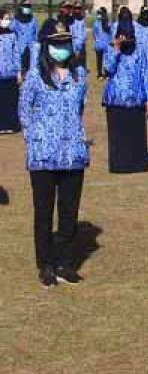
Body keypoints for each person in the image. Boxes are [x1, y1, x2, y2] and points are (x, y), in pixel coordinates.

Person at [20, 18, 89, 288]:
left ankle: (65, 263)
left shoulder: (80, 75)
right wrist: (36, 140)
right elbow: (24, 111)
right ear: (46, 46)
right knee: (44, 212)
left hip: (72, 153)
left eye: (66, 43)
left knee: (69, 213)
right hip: (43, 155)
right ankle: (46, 264)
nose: (62, 48)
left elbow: (80, 108)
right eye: (57, 44)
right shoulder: (36, 77)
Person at [103, 21, 148, 173]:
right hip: (116, 101)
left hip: (136, 100)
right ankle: (119, 165)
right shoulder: (110, 49)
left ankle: (137, 164)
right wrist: (116, 49)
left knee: (136, 136)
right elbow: (108, 69)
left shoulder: (140, 51)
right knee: (118, 136)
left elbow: (145, 74)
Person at [0, 7, 22, 134]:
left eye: (9, 19)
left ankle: (11, 125)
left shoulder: (12, 35)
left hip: (11, 73)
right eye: (6, 19)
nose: (8, 21)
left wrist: (18, 71)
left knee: (12, 100)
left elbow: (16, 53)